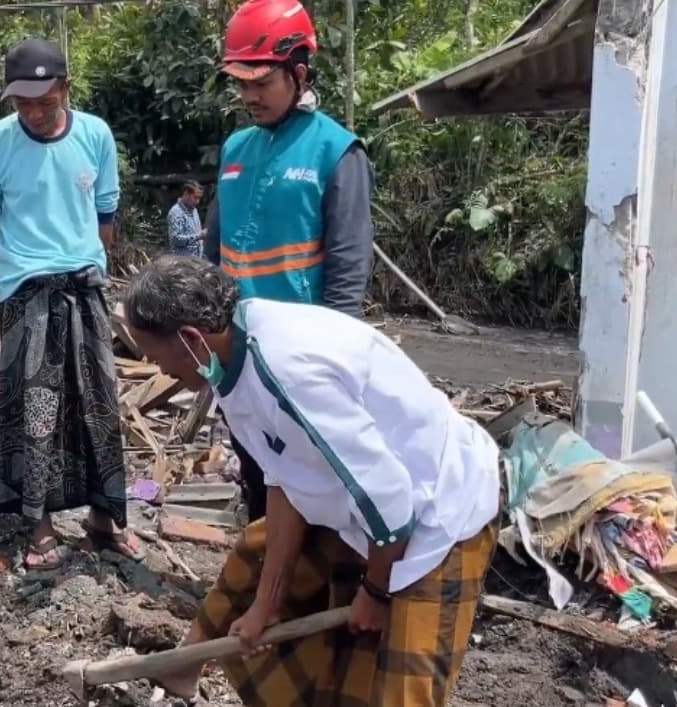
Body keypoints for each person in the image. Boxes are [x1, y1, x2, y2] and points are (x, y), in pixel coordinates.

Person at [123, 256, 500, 706]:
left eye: (155, 356)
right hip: (361, 511)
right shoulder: (225, 361)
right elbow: (284, 479)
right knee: (255, 558)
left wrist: (376, 593)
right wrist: (267, 604)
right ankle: (185, 668)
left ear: (189, 338)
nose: (159, 371)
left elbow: (392, 504)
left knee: (404, 689)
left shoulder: (290, 369)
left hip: (437, 513)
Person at [0, 37, 144, 570]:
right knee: (36, 413)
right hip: (26, 294)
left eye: (45, 101)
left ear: (65, 89)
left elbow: (106, 216)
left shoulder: (95, 135)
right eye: (23, 104)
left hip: (85, 289)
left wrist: (87, 260)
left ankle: (103, 519)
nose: (35, 113)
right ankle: (39, 524)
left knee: (98, 406)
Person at [203, 0, 377, 523]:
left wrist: (334, 360)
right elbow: (214, 254)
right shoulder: (236, 148)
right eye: (241, 82)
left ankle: (309, 587)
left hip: (301, 356)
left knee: (308, 479)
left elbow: (348, 267)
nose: (249, 95)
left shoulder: (338, 151)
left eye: (261, 81)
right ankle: (262, 575)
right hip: (239, 350)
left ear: (298, 73)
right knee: (255, 470)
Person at [167, 180, 205, 257]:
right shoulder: (176, 212)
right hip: (183, 262)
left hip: (196, 260)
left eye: (199, 198)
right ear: (186, 194)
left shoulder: (194, 210)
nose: (197, 201)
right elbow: (175, 239)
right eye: (195, 197)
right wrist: (198, 236)